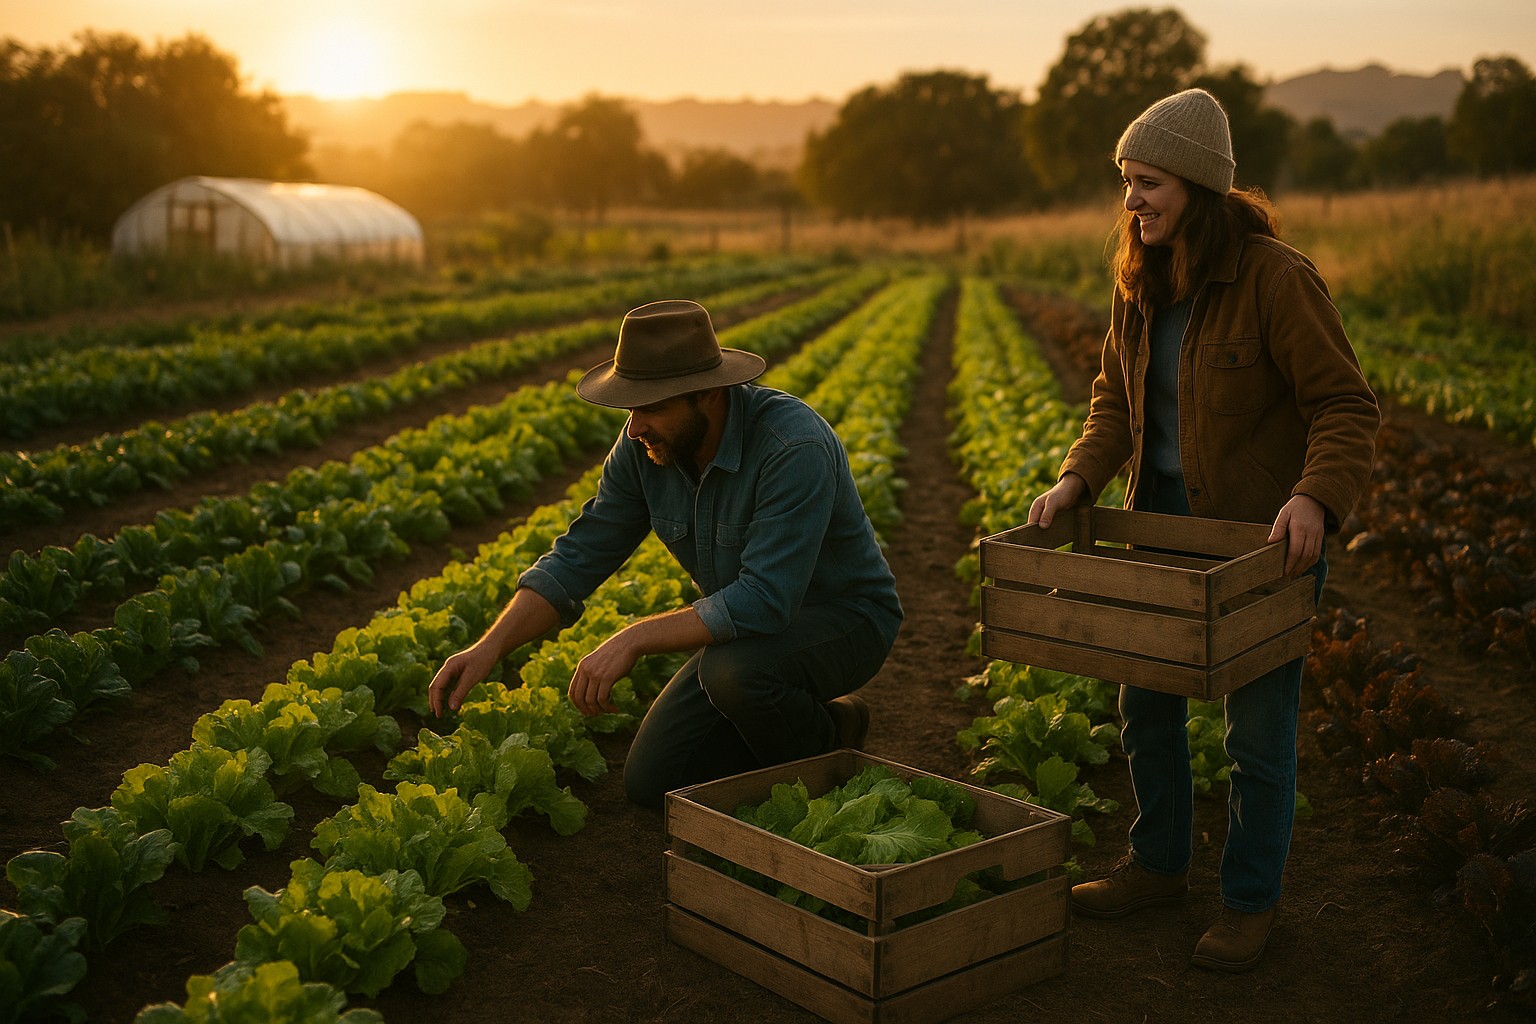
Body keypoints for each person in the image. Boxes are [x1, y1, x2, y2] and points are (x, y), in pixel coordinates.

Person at [1026, 89, 1380, 972]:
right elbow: (1114, 400)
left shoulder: (1274, 278)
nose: (1131, 202)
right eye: (1125, 183)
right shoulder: (1140, 282)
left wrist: (1313, 498)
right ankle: (1157, 865)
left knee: (1258, 736)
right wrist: (1078, 478)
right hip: (1161, 526)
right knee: (1145, 706)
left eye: (1147, 183)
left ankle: (1250, 902)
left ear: (1198, 185)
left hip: (1262, 543)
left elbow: (1344, 405)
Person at [427, 298, 903, 808]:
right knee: (656, 782)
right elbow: (581, 553)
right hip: (747, 637)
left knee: (735, 675)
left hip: (844, 622)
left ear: (709, 395)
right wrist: (490, 647)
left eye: (652, 407)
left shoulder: (791, 446)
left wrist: (635, 637)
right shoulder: (645, 447)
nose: (634, 427)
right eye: (631, 407)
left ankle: (827, 763)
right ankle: (819, 719)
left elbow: (766, 599)